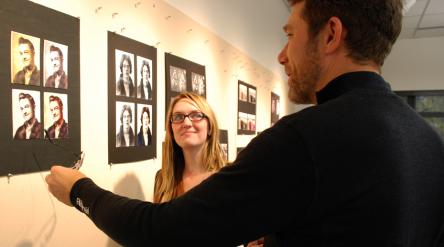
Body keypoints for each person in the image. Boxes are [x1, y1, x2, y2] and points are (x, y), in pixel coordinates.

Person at [46, 1, 444, 246]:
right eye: (177, 117)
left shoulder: (303, 139)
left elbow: (161, 231)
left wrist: (80, 190)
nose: (282, 55)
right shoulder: (429, 143)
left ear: (330, 35)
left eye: (290, 35)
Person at [153, 92, 226, 203]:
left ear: (210, 127)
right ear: (171, 130)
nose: (186, 123)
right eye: (178, 117)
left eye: (196, 115)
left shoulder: (229, 176)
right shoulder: (162, 179)